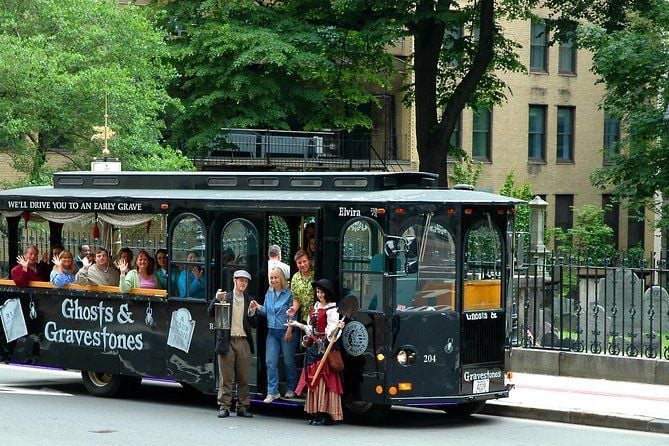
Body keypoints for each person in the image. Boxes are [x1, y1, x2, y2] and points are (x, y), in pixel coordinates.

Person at [289, 279, 345, 425]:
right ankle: (316, 413)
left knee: (324, 381)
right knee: (313, 380)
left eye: (321, 292)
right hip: (314, 347)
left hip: (326, 348)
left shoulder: (332, 310)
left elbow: (331, 333)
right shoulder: (315, 307)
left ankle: (325, 414)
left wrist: (336, 329)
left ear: (327, 293)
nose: (319, 294)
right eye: (317, 292)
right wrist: (297, 325)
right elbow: (310, 328)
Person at [207, 270, 257, 419]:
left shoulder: (249, 300)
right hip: (226, 341)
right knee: (226, 377)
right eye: (241, 280)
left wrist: (252, 313)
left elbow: (254, 324)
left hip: (243, 341)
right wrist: (215, 299)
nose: (243, 283)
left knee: (243, 377)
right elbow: (210, 313)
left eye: (246, 281)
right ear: (234, 280)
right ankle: (224, 406)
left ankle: (243, 407)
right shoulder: (225, 297)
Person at [249, 267, 299, 402]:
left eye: (276, 277)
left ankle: (291, 388)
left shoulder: (289, 294)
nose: (273, 280)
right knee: (270, 362)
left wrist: (289, 330)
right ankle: (272, 391)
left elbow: (293, 313)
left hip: (286, 331)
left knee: (289, 361)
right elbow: (266, 311)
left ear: (281, 278)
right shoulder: (269, 293)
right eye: (271, 278)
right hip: (272, 332)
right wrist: (257, 307)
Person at [290, 249, 315, 323]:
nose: (302, 265)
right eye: (299, 263)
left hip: (317, 317)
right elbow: (296, 298)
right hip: (304, 318)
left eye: (304, 261)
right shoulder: (295, 278)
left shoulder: (316, 274)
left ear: (309, 261)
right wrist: (294, 309)